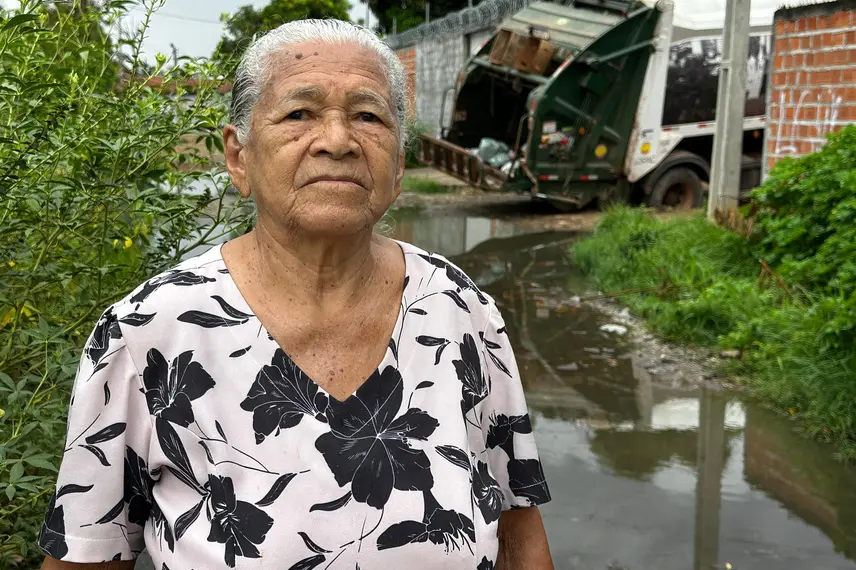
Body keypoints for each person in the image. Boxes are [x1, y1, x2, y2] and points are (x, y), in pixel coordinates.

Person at [39, 19, 553, 570]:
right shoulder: (149, 332)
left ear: (399, 165)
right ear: (239, 157)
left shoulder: (463, 311)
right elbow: (87, 554)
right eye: (299, 113)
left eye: (368, 116)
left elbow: (518, 533)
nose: (337, 141)